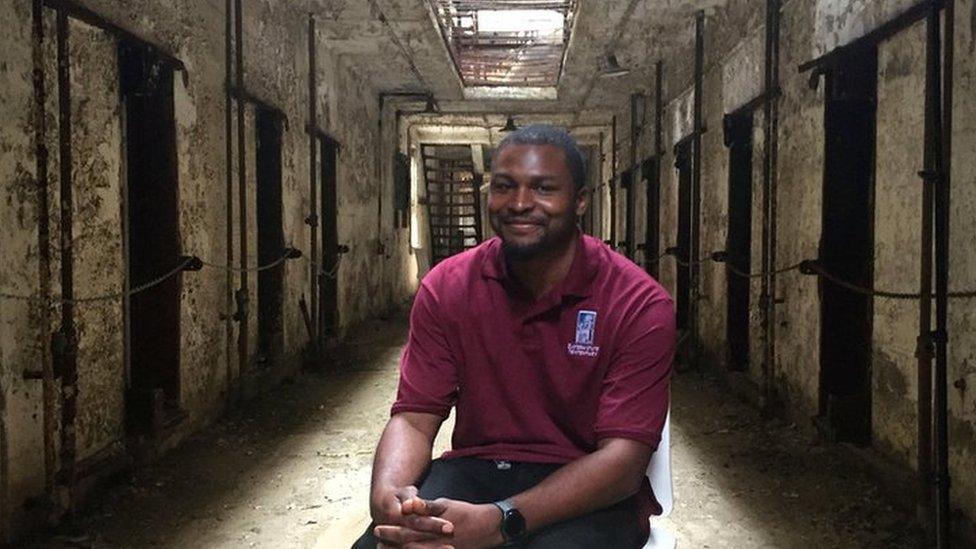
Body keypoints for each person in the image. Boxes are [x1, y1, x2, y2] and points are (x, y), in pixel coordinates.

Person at [352, 124, 675, 549]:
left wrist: (501, 521)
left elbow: (624, 462)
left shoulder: (637, 302)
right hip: (476, 469)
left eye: (543, 188)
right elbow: (414, 417)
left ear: (579, 202)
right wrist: (389, 494)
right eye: (505, 187)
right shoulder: (448, 287)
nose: (520, 203)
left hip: (585, 487)